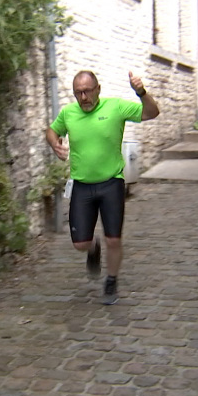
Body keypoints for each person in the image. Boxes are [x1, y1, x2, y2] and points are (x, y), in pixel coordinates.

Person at [45, 70, 160, 305]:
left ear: (98, 89)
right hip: (82, 186)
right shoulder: (68, 113)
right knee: (80, 244)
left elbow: (151, 113)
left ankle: (111, 280)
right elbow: (51, 130)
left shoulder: (115, 107)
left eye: (87, 91)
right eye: (78, 93)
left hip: (111, 183)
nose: (83, 97)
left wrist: (141, 92)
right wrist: (54, 144)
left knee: (114, 239)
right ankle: (92, 247)